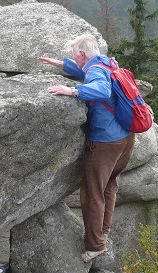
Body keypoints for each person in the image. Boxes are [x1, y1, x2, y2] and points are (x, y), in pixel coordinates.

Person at [38, 34, 135, 263]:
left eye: (74, 55)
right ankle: (104, 230)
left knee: (92, 194)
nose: (73, 57)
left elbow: (101, 89)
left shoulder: (96, 71)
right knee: (109, 187)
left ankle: (95, 246)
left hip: (105, 143)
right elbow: (90, 73)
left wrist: (73, 91)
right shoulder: (107, 63)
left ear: (82, 54)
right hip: (126, 139)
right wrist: (62, 64)